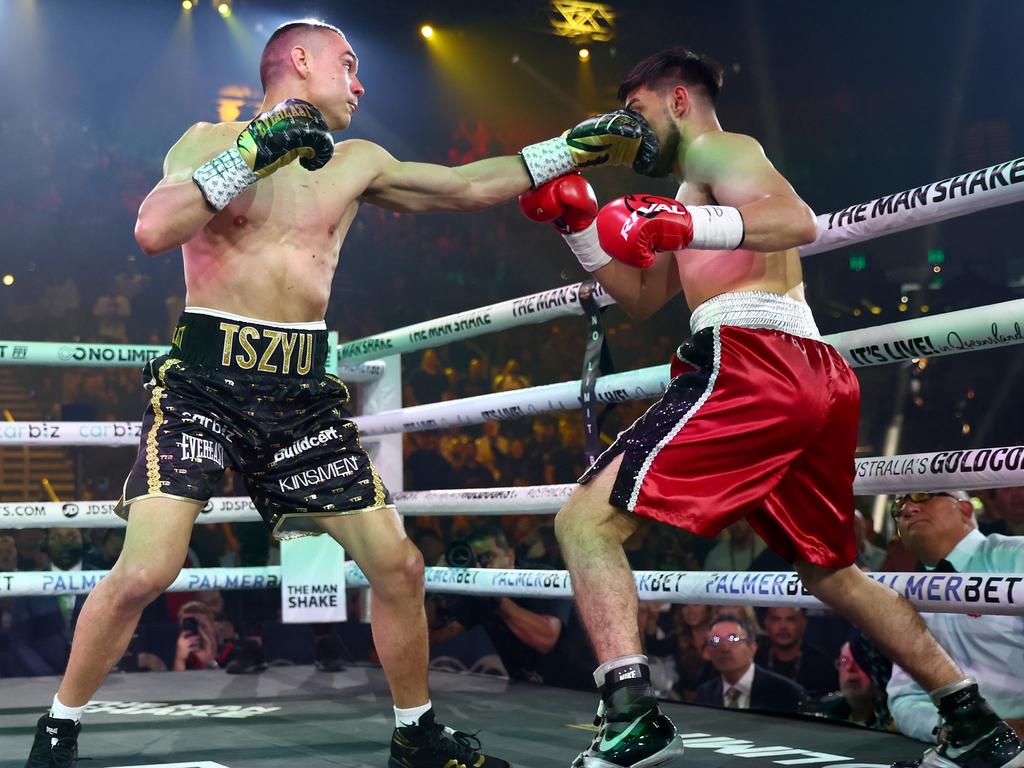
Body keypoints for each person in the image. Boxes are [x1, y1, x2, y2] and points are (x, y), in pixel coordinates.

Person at [24, 18, 659, 768]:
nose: (360, 84)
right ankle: (59, 727)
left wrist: (574, 145)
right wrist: (252, 153)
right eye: (349, 66)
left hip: (300, 396)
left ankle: (415, 733)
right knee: (148, 570)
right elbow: (154, 229)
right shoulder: (207, 140)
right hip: (202, 386)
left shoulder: (358, 162)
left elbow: (464, 186)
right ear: (299, 61)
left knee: (398, 566)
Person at [519, 46, 1024, 768]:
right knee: (831, 573)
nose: (630, 130)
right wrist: (575, 226)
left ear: (679, 99)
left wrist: (683, 225)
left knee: (584, 521)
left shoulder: (725, 147)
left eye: (636, 111)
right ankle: (974, 722)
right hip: (809, 376)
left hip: (752, 361)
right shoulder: (693, 187)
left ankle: (631, 714)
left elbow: (797, 221)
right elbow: (642, 298)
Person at [885, 491, 1024, 742]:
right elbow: (905, 697)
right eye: (898, 505)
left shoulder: (1016, 556)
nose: (907, 509)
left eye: (922, 496)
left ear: (966, 510)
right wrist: (955, 730)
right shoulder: (907, 589)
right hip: (961, 748)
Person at [694, 614, 804, 714]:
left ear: (752, 647)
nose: (724, 648)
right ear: (708, 650)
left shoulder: (786, 692)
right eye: (715, 640)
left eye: (733, 639)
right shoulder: (705, 694)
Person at [754, 607, 836, 697]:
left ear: (803, 624)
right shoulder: (753, 659)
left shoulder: (822, 664)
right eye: (776, 619)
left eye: (791, 620)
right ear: (766, 623)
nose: (783, 627)